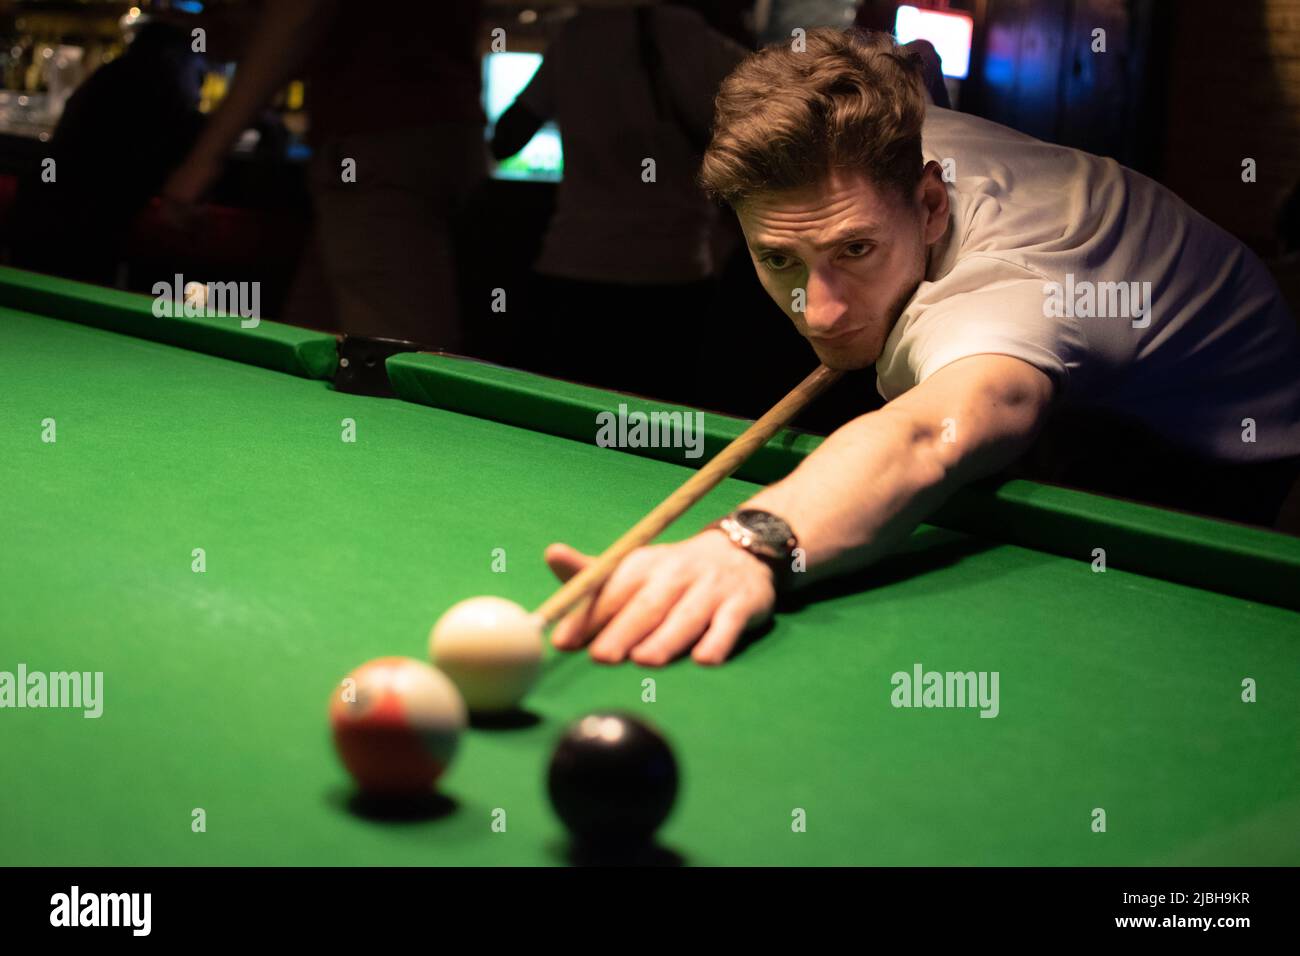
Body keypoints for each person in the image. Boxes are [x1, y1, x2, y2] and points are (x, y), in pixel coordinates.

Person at [542, 28, 1300, 667]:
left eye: (857, 249)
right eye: (780, 260)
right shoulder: (884, 129)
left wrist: (750, 542)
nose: (822, 309)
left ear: (931, 205)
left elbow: (927, 436)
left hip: (1223, 430)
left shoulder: (1005, 293)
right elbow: (916, 59)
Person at [161, 0, 484, 348]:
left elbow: (298, 13)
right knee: (311, 348)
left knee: (390, 362)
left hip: (378, 142)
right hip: (408, 143)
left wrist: (205, 157)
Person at [490, 1, 748, 399]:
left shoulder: (575, 35)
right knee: (657, 426)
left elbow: (506, 138)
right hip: (674, 276)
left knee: (565, 416)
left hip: (575, 270)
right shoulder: (697, 39)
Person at [9, 21, 205, 285]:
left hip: (48, 215)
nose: (198, 80)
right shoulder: (156, 83)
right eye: (194, 65)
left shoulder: (114, 73)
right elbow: (190, 137)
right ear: (174, 57)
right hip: (78, 225)